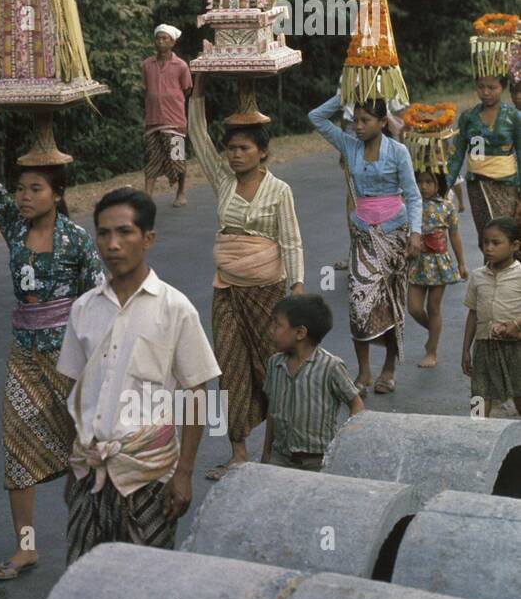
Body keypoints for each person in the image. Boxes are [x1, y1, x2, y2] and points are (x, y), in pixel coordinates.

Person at [0, 105, 100, 581]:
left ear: (57, 194)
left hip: (70, 361)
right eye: (20, 188)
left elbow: (96, 305)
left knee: (84, 451)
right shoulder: (14, 227)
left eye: (34, 189)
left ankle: (91, 541)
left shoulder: (78, 241)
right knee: (18, 451)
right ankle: (27, 547)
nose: (23, 196)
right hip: (24, 356)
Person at [57, 187, 221, 562]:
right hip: (90, 471)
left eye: (124, 232)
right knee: (88, 578)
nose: (112, 244)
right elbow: (72, 391)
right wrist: (74, 462)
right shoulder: (83, 309)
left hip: (151, 475)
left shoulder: (175, 309)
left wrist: (184, 473)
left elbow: (197, 393)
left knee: (146, 583)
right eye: (103, 233)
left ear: (148, 238)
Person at [189, 75, 304, 480]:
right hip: (227, 291)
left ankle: (275, 450)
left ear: (263, 152)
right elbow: (197, 136)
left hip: (267, 292)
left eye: (244, 148)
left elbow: (291, 241)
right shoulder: (223, 181)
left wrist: (297, 290)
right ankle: (239, 453)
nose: (235, 155)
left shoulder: (279, 190)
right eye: (231, 148)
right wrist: (198, 92)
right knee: (230, 366)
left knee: (269, 367)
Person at [309, 92, 422, 395]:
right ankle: (364, 372)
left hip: (395, 235)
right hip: (362, 235)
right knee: (359, 303)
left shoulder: (397, 151)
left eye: (364, 120)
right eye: (355, 119)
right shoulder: (349, 145)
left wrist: (415, 233)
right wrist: (342, 93)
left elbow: (412, 195)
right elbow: (315, 118)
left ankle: (389, 369)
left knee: (391, 302)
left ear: (383, 122)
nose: (357, 126)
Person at [261, 295, 365, 472]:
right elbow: (273, 411)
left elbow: (356, 405)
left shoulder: (331, 367)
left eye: (277, 325)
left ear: (300, 333)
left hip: (318, 461)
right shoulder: (274, 363)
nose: (271, 330)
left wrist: (345, 443)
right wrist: (266, 453)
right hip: (281, 458)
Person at [446, 74, 521, 250]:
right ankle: (490, 275)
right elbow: (457, 155)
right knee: (487, 238)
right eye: (481, 87)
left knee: (507, 236)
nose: (486, 92)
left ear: (502, 88)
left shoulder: (514, 117)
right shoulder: (468, 117)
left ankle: (512, 276)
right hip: (477, 186)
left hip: (507, 186)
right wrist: (444, 186)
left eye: (492, 87)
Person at [461, 216, 521, 419]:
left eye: (496, 243)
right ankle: (476, 434)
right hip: (483, 347)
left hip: (515, 346)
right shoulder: (478, 276)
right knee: (479, 394)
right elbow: (473, 314)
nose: (488, 248)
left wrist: (516, 324)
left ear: (514, 245)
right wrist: (466, 350)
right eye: (485, 242)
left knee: (519, 393)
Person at [407, 169, 466, 368]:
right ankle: (434, 331)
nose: (423, 186)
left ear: (438, 183)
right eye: (419, 181)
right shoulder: (409, 205)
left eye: (428, 182)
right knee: (414, 308)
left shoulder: (447, 206)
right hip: (416, 262)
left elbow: (455, 236)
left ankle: (431, 350)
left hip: (439, 263)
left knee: (433, 307)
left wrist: (462, 263)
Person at [141, 23, 192, 207]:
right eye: (158, 38)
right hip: (153, 120)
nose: (160, 42)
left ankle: (181, 192)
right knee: (151, 157)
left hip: (175, 121)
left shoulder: (181, 66)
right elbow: (146, 90)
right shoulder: (147, 65)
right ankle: (148, 196)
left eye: (165, 38)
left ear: (172, 42)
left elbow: (186, 89)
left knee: (177, 157)